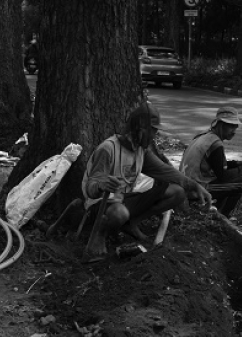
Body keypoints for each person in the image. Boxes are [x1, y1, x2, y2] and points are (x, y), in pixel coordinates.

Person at [81, 103, 212, 258]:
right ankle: (100, 233)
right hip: (100, 204)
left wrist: (193, 185)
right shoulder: (108, 149)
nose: (154, 136)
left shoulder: (141, 151)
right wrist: (102, 185)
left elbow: (165, 170)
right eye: (153, 131)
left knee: (177, 192)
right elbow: (91, 188)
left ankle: (131, 223)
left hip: (123, 198)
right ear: (140, 128)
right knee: (119, 212)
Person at [179, 106, 242, 218]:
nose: (234, 131)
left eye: (235, 127)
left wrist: (238, 164)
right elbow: (223, 176)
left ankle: (217, 209)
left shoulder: (204, 136)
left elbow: (219, 165)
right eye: (231, 126)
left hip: (187, 184)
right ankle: (225, 218)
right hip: (196, 188)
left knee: (235, 176)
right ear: (221, 124)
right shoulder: (215, 144)